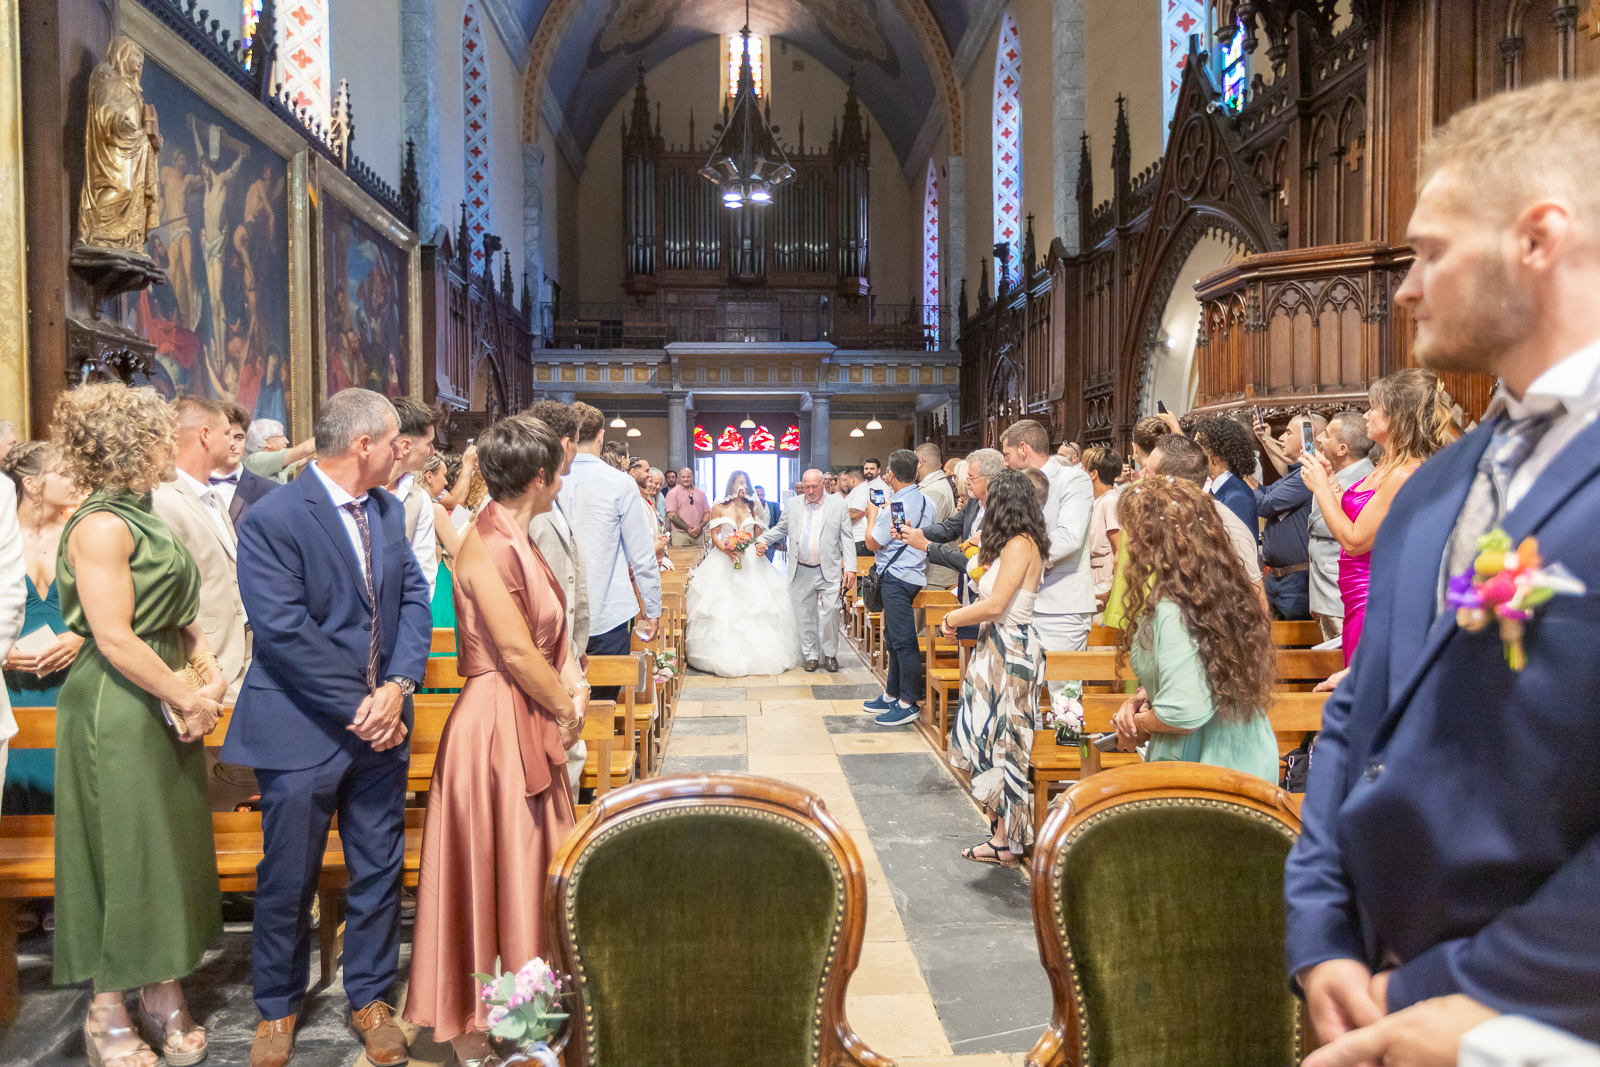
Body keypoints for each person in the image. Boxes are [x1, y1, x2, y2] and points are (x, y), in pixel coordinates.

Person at [1288, 78, 1600, 1061]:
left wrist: (1450, 985)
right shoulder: (1434, 487)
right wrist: (1321, 932)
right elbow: (1356, 714)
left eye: (1431, 251)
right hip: (1378, 988)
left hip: (1546, 1011)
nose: (1405, 286)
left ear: (1537, 239)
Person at [228, 388, 432, 1067]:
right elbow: (283, 628)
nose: (405, 449)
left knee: (379, 867)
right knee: (289, 874)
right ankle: (276, 1007)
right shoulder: (274, 516)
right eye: (397, 439)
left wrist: (399, 685)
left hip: (382, 724)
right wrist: (364, 706)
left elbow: (413, 596)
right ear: (364, 444)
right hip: (301, 723)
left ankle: (370, 997)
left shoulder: (388, 508)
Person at [51, 382, 228, 1067]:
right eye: (161, 435)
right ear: (130, 444)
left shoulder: (145, 512)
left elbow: (181, 611)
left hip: (163, 685)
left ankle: (160, 987)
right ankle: (106, 1007)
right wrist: (188, 698)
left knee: (165, 847)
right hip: (117, 702)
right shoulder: (100, 524)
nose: (170, 446)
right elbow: (114, 637)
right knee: (122, 848)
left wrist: (209, 672)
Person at [405, 415, 587, 1064]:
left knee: (531, 872)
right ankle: (475, 1026)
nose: (561, 480)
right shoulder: (485, 543)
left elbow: (548, 635)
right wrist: (565, 707)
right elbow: (512, 648)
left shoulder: (520, 537)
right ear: (539, 478)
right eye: (558, 471)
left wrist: (573, 683)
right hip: (494, 730)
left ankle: (529, 1016)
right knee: (494, 870)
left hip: (525, 715)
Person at [1108, 478, 1278, 780]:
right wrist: (1143, 698)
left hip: (1209, 765)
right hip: (1241, 750)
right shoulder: (1213, 591)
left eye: (1132, 535)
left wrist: (1138, 725)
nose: (1127, 548)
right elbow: (1200, 672)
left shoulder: (1173, 608)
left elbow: (1182, 712)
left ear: (1154, 540)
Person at [1301, 367, 1452, 664]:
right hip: (1354, 597)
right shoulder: (1385, 465)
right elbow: (1355, 514)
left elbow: (1354, 541)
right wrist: (1330, 480)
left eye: (1374, 409)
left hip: (1374, 599)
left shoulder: (1405, 474)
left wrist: (1321, 489)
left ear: (1397, 418)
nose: (1366, 416)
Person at [942, 469, 1048, 866]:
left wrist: (952, 618)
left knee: (1006, 743)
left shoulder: (1021, 544)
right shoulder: (1013, 543)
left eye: (990, 501)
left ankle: (1008, 841)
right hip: (995, 647)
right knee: (989, 738)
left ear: (1005, 503)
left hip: (1011, 649)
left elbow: (997, 605)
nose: (984, 507)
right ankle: (1000, 833)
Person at [152, 397, 251, 702]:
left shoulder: (213, 497)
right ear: (205, 435)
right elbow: (167, 591)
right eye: (227, 433)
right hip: (203, 662)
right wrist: (204, 665)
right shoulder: (162, 499)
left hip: (241, 654)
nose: (233, 442)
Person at [3, 443, 83, 814]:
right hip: (11, 683)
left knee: (72, 792)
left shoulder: (81, 534)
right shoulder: (3, 538)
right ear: (31, 484)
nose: (75, 479)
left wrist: (83, 639)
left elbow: (116, 606)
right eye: (63, 472)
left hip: (75, 678)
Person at [558, 403, 659, 698]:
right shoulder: (620, 483)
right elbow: (641, 555)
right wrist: (652, 609)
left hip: (556, 614)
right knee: (603, 705)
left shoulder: (547, 478)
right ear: (601, 436)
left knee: (558, 706)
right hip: (608, 612)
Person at [1001, 420, 1094, 693]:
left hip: (1061, 607)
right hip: (1020, 604)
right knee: (1020, 693)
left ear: (1023, 449)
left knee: (1064, 695)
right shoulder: (1014, 486)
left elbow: (1069, 537)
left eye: (1007, 454)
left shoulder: (1072, 480)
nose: (1004, 463)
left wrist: (1020, 557)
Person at [684, 471, 801, 677]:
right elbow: (714, 535)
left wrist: (759, 547)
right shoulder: (719, 507)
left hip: (750, 559)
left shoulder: (753, 507)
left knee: (757, 603)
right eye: (740, 483)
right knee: (721, 603)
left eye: (745, 483)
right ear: (732, 485)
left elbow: (758, 536)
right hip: (724, 558)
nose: (743, 487)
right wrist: (727, 550)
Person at [755, 469, 855, 673]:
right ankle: (810, 654)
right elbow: (781, 528)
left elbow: (847, 536)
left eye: (814, 487)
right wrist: (761, 539)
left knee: (831, 611)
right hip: (800, 569)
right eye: (806, 486)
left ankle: (830, 654)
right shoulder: (793, 504)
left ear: (823, 485)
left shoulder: (837, 504)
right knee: (805, 615)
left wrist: (851, 568)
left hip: (828, 568)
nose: (810, 491)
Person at [863, 451, 930, 725]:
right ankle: (892, 694)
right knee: (892, 637)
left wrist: (872, 515)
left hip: (896, 577)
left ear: (890, 474)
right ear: (916, 472)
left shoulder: (894, 507)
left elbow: (872, 543)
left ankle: (908, 702)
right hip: (914, 573)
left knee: (903, 641)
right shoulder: (926, 500)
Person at [1306, 412, 1374, 642]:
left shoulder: (1365, 480)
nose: (1318, 439)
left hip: (1344, 592)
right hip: (1325, 589)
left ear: (1342, 449)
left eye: (1326, 435)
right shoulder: (1333, 474)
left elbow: (1345, 532)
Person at [1251, 414, 1325, 621]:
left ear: (1306, 441)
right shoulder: (1296, 473)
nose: (1281, 437)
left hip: (1296, 581)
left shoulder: (1307, 475)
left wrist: (1241, 475)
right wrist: (1265, 442)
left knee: (1297, 639)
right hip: (1278, 578)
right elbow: (1267, 492)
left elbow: (1265, 504)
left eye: (1288, 433)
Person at [385, 396, 440, 598]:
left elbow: (424, 571)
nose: (433, 451)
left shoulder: (419, 498)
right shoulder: (359, 488)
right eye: (429, 443)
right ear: (406, 446)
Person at [1194, 416, 1260, 532]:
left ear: (1217, 453)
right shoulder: (1217, 490)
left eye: (1198, 448)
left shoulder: (1238, 498)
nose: (1193, 454)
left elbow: (1241, 542)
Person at [1082, 446, 1123, 607]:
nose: (1080, 470)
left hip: (1105, 574)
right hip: (1094, 571)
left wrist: (1113, 590)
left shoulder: (1110, 501)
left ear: (1094, 473)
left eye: (1084, 467)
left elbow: (1120, 548)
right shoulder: (1099, 500)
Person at [914, 443, 958, 590]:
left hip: (934, 575)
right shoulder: (934, 485)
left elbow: (928, 531)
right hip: (933, 571)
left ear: (920, 463)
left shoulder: (933, 491)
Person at [242, 419, 314, 484]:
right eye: (281, 437)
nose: (287, 441)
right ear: (267, 442)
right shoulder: (256, 460)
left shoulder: (276, 462)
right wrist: (321, 437)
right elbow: (305, 450)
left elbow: (303, 458)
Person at [664, 466, 710, 547]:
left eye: (688, 477)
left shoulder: (701, 494)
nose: (686, 479)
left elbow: (707, 513)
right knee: (680, 556)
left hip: (698, 535)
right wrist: (688, 528)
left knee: (700, 555)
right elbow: (671, 515)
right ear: (679, 478)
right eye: (683, 477)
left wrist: (699, 527)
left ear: (692, 477)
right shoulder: (672, 493)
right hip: (680, 534)